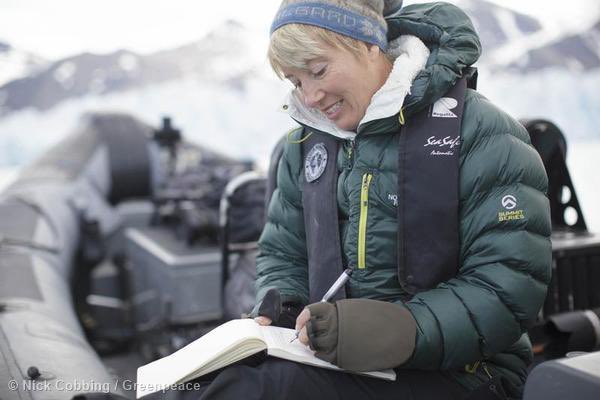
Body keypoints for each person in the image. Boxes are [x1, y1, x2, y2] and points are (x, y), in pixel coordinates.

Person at [179, 1, 552, 399]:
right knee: (205, 380)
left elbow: (509, 286)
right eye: (295, 81)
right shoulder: (304, 146)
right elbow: (283, 252)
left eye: (318, 70)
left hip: (467, 373)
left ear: (369, 44)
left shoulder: (482, 134)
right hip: (333, 361)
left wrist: (399, 329)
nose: (311, 96)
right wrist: (285, 302)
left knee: (261, 391)